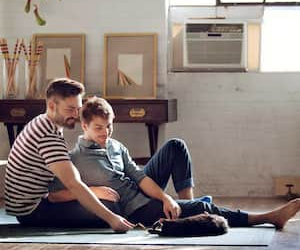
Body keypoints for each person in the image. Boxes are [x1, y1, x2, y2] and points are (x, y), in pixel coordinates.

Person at [48, 97, 300, 229]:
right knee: (205, 210)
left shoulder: (115, 146)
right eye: (99, 128)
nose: (106, 132)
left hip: (142, 193)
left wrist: (167, 200)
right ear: (84, 126)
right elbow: (54, 196)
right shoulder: (74, 159)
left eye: (109, 126)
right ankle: (267, 218)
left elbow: (139, 176)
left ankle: (186, 207)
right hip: (134, 209)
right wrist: (94, 191)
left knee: (175, 146)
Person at [4, 78, 134, 231]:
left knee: (104, 199)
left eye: (77, 109)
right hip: (32, 211)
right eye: (70, 109)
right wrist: (112, 219)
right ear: (52, 106)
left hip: (30, 205)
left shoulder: (42, 121)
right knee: (110, 206)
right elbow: (73, 183)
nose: (76, 114)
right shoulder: (48, 135)